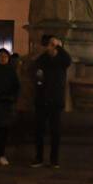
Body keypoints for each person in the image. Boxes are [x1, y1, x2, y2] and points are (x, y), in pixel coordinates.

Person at [30, 35, 71, 168]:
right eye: (50, 45)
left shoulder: (61, 61)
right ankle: (39, 158)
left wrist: (59, 47)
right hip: (42, 100)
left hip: (55, 101)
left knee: (55, 132)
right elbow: (36, 72)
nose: (52, 48)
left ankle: (54, 159)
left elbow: (67, 60)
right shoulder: (42, 60)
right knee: (39, 131)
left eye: (54, 46)